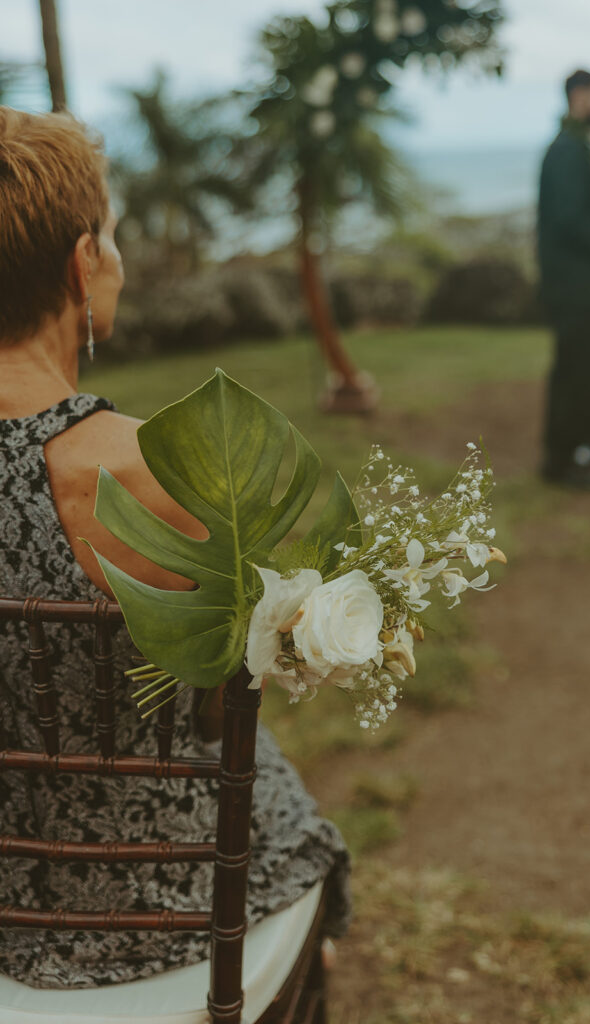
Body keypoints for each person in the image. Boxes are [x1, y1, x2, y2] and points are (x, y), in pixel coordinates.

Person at [0, 106, 350, 989]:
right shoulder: (156, 474)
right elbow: (216, 698)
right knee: (272, 786)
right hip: (166, 902)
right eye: (109, 236)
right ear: (85, 263)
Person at [538, 69, 590, 489]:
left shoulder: (572, 146)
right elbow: (570, 221)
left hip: (579, 283)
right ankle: (568, 459)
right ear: (580, 95)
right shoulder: (569, 151)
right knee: (578, 372)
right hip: (576, 285)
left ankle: (567, 457)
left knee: (578, 368)